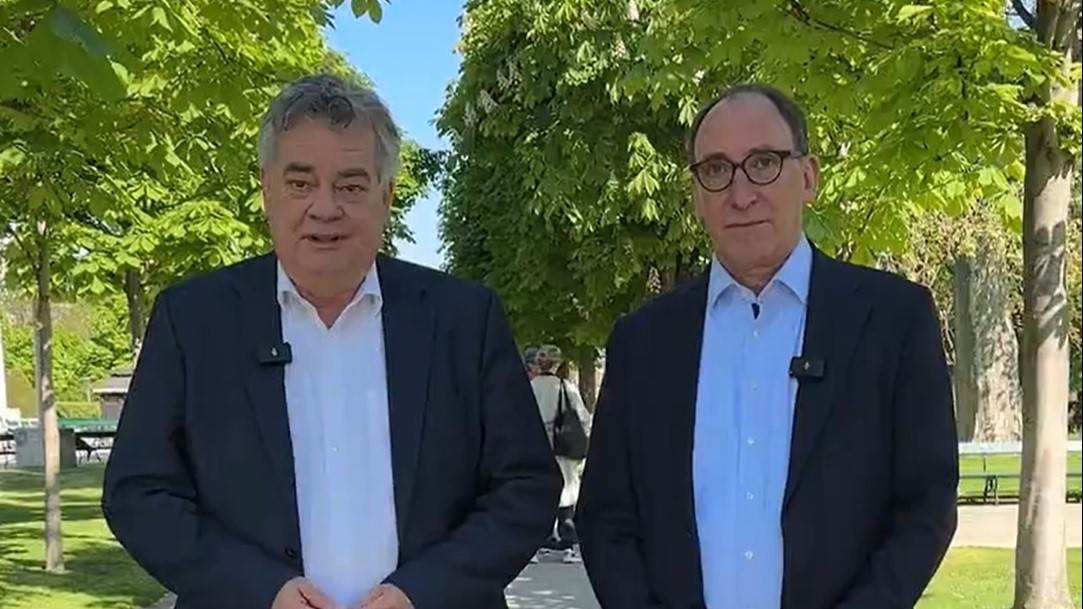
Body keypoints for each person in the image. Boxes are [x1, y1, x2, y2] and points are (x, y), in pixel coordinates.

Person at [101, 74, 562, 609]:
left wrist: (422, 592)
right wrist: (260, 589)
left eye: (351, 185)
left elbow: (525, 487)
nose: (325, 207)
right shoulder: (193, 321)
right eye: (301, 183)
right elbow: (139, 492)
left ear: (386, 196)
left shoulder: (465, 319)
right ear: (267, 189)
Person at [575, 83, 959, 609]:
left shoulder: (893, 321)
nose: (741, 194)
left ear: (809, 176)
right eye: (716, 169)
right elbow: (606, 519)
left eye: (763, 163)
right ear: (696, 196)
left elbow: (925, 505)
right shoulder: (642, 343)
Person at [529, 345, 591, 562]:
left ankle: (539, 544)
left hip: (537, 448)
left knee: (539, 494)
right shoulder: (565, 387)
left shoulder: (529, 388)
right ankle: (568, 544)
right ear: (557, 364)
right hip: (563, 447)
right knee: (566, 494)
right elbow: (582, 416)